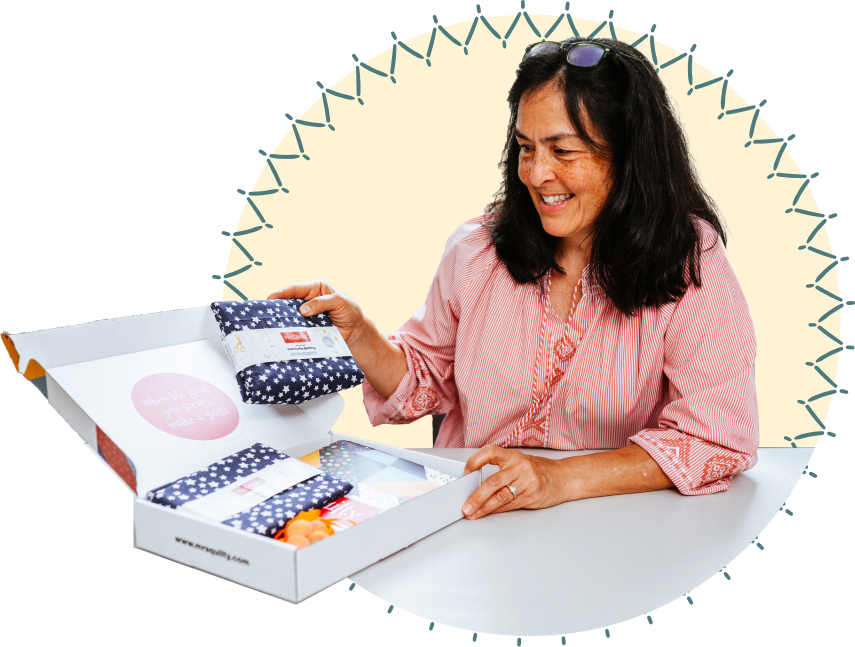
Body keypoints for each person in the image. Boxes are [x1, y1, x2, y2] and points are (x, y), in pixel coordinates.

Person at [269, 37, 759, 522]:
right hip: (472, 512)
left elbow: (717, 437)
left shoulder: (690, 259)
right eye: (526, 148)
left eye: (562, 151)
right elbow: (425, 378)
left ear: (630, 155)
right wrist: (358, 333)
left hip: (613, 523)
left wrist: (559, 478)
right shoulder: (476, 250)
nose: (537, 174)